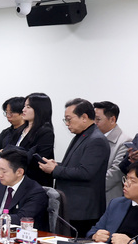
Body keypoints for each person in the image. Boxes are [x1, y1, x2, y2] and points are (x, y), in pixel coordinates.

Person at [39, 98, 110, 233]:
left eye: (69, 119)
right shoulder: (83, 135)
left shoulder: (96, 140)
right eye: (65, 120)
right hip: (72, 207)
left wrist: (55, 170)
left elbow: (86, 172)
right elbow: (75, 165)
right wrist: (57, 165)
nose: (67, 124)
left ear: (84, 117)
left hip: (83, 210)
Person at [0, 97, 28, 185]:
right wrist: (2, 156)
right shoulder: (6, 132)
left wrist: (1, 155)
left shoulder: (27, 133)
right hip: (0, 177)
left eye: (11, 113)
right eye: (6, 113)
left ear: (22, 112)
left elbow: (19, 158)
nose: (8, 116)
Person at [95, 101, 131, 202]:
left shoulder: (124, 141)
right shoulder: (93, 138)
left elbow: (116, 173)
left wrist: (91, 186)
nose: (94, 122)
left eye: (98, 119)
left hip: (108, 196)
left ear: (112, 120)